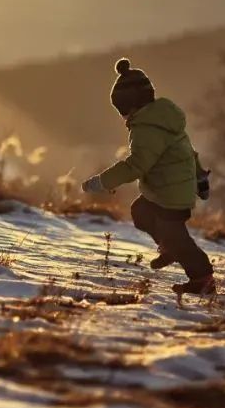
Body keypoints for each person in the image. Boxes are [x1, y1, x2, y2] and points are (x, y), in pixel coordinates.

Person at [81, 58, 215, 295]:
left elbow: (136, 165)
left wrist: (103, 182)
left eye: (123, 110)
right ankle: (167, 248)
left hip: (169, 194)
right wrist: (200, 178)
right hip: (168, 189)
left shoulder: (147, 128)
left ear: (131, 106)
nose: (123, 117)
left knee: (178, 239)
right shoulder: (165, 121)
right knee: (140, 211)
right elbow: (188, 153)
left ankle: (202, 278)